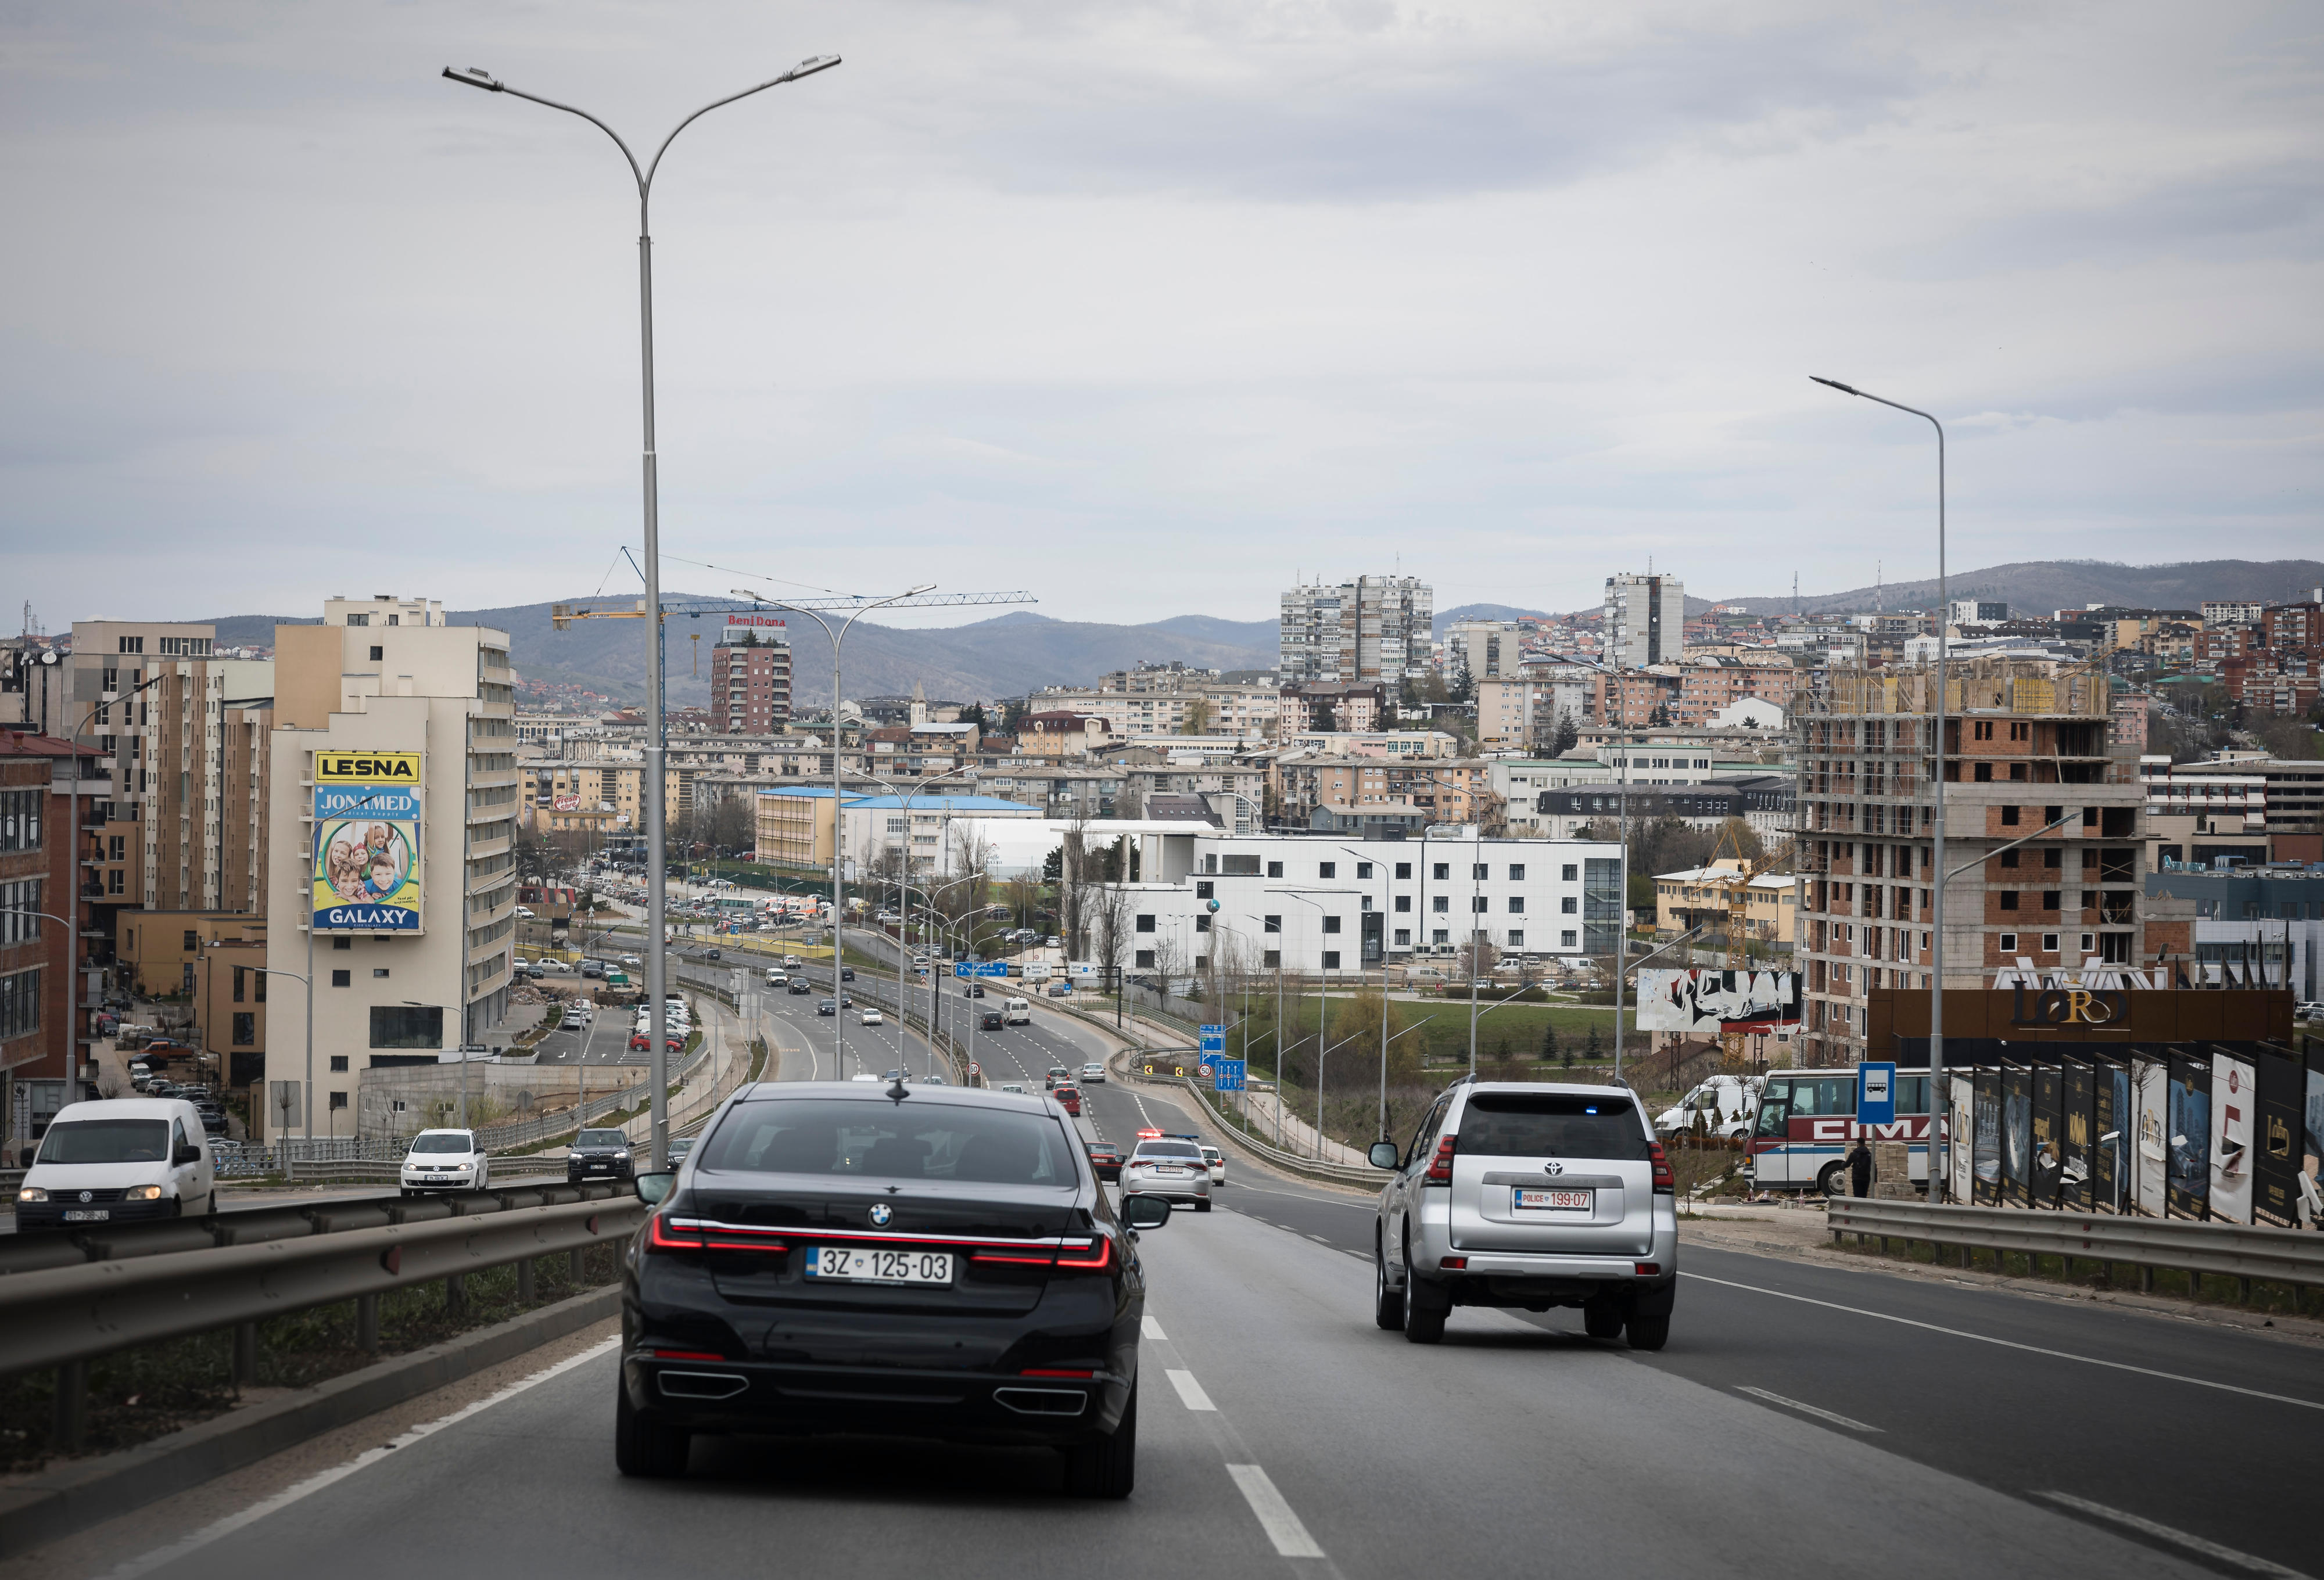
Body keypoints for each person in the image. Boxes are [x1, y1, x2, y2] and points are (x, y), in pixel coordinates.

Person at [1848, 1134, 1874, 1198]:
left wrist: (1842, 1165)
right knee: (1864, 1196)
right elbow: (1873, 1166)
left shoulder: (1854, 1154)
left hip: (1857, 1178)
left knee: (1857, 1195)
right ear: (1865, 1144)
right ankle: (1863, 1207)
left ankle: (1858, 1207)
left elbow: (1847, 1164)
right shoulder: (1869, 1154)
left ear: (1858, 1144)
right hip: (1866, 1178)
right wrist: (1875, 1178)